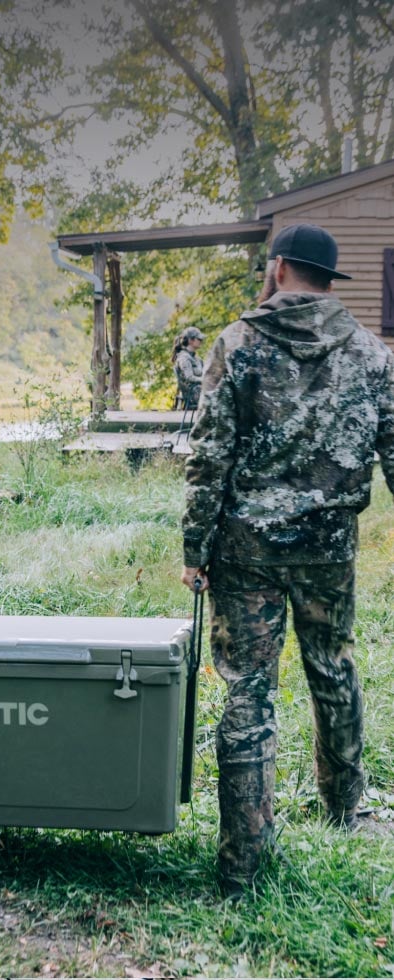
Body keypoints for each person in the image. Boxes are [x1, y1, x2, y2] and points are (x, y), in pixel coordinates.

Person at [180, 223, 394, 898]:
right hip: (329, 549)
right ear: (330, 279)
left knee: (247, 691)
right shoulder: (370, 352)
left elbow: (210, 456)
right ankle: (345, 810)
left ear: (277, 269)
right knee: (334, 668)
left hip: (247, 553)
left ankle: (242, 863)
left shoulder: (237, 343)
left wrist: (195, 546)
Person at [173, 326, 205, 409]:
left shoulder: (198, 359)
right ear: (191, 340)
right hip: (192, 394)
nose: (201, 341)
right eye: (199, 339)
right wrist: (205, 380)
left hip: (201, 391)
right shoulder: (184, 358)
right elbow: (189, 378)